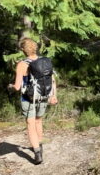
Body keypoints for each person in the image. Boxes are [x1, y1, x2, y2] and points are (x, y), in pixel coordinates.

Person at [11, 36, 58, 165]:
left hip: (28, 98)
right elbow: (52, 80)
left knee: (30, 123)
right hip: (43, 96)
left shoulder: (22, 64)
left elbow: (17, 86)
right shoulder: (45, 61)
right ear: (35, 47)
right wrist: (54, 96)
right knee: (39, 121)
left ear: (22, 50)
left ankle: (37, 153)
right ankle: (40, 145)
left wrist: (10, 86)